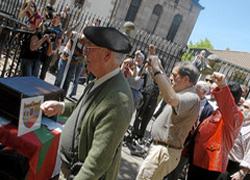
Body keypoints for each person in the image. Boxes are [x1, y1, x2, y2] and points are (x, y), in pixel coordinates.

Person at [40, 26, 134, 180]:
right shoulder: (101, 80)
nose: (85, 52)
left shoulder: (118, 100)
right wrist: (62, 107)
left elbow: (96, 164)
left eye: (90, 48)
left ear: (107, 55)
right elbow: (85, 108)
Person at [136, 59, 200, 180]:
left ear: (186, 79)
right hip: (161, 149)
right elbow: (165, 87)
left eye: (174, 76)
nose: (170, 78)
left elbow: (171, 98)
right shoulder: (181, 93)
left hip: (164, 150)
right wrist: (156, 67)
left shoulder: (191, 97)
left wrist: (157, 69)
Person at [187, 73, 244, 180]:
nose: (215, 92)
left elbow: (228, 105)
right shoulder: (219, 111)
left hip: (210, 165)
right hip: (199, 160)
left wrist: (223, 85)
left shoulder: (235, 116)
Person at [219, 99, 250, 180]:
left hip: (235, 169)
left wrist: (242, 172)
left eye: (246, 107)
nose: (242, 108)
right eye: (242, 105)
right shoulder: (236, 122)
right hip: (221, 162)